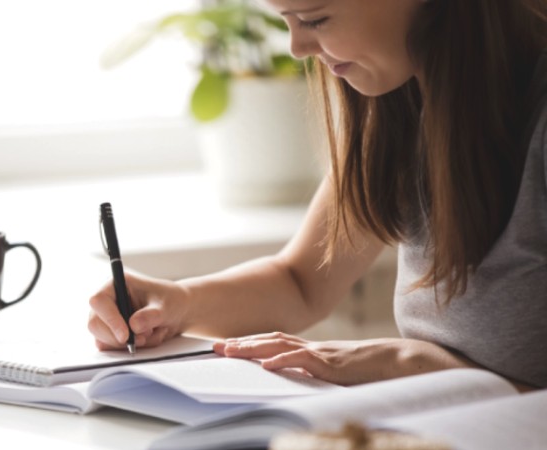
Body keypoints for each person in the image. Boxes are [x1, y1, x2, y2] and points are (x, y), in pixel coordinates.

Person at [88, 0, 547, 390]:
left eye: (315, 19)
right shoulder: (396, 104)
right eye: (286, 20)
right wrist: (179, 303)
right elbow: (301, 282)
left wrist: (404, 363)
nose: (297, 48)